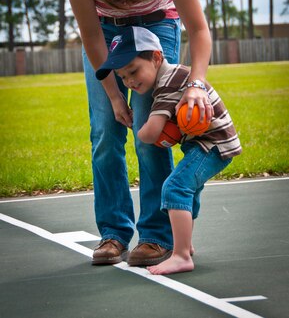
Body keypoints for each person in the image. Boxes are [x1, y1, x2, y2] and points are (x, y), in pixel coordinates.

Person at [64, 0, 213, 266]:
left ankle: (157, 235)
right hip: (105, 31)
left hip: (158, 24)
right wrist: (115, 97)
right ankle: (114, 232)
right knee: (105, 131)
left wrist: (195, 85)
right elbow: (90, 36)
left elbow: (200, 30)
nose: (131, 1)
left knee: (151, 127)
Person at [95, 26, 242, 275]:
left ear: (156, 57)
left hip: (213, 145)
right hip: (209, 143)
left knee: (175, 187)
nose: (129, 82)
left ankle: (181, 255)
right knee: (189, 190)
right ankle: (187, 245)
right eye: (123, 77)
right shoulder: (169, 77)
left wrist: (135, 124)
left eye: (133, 71)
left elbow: (150, 133)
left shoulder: (169, 83)